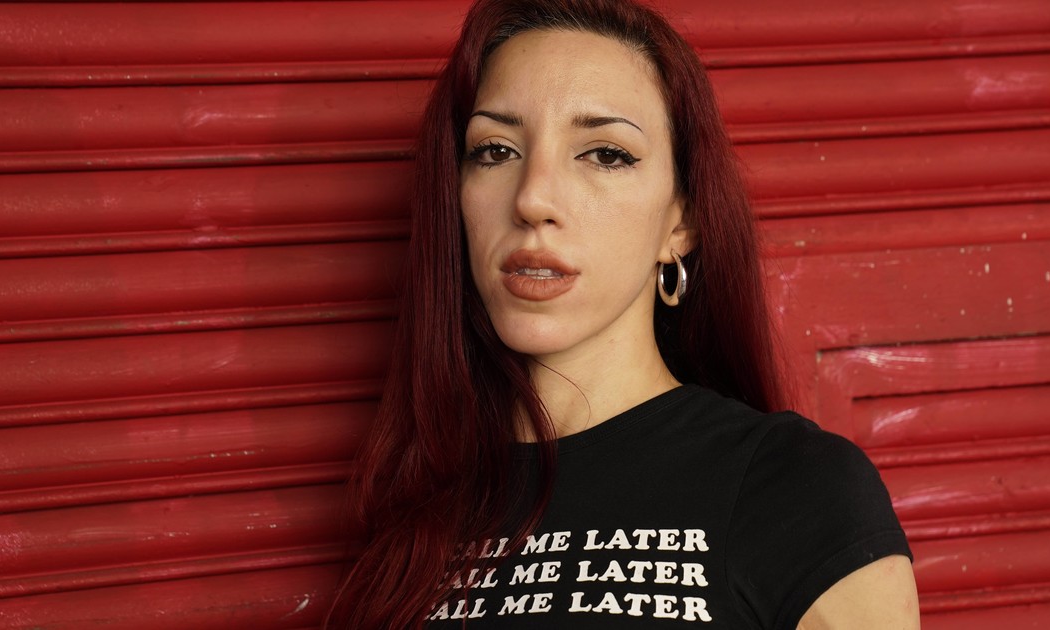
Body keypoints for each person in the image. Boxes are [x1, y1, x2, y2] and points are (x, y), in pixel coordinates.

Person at [327, 0, 919, 627]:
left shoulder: (796, 489)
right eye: (495, 150)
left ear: (682, 222)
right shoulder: (419, 512)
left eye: (605, 154)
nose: (532, 199)